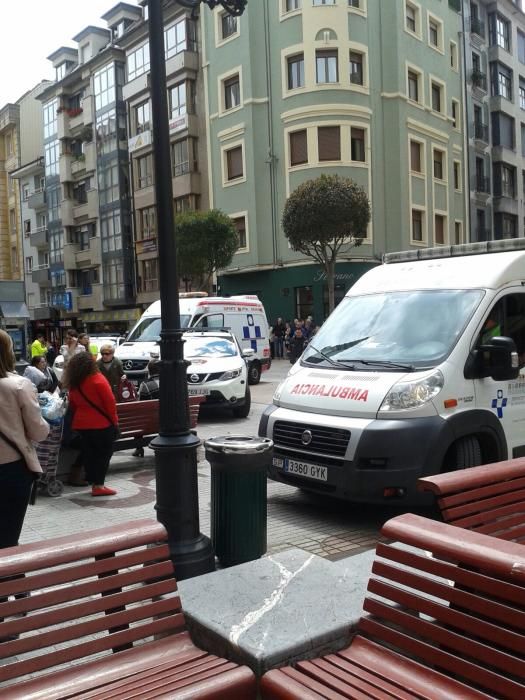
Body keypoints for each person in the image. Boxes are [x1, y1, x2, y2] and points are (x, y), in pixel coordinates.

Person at [0, 330, 50, 549]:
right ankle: (11, 579)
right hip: (11, 469)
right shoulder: (18, 386)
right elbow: (39, 432)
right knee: (8, 538)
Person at [63, 352, 118, 497]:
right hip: (102, 424)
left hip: (82, 425)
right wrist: (115, 423)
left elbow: (73, 404)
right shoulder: (98, 379)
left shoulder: (74, 383)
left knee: (89, 453)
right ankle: (98, 485)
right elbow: (110, 403)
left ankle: (92, 481)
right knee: (104, 455)